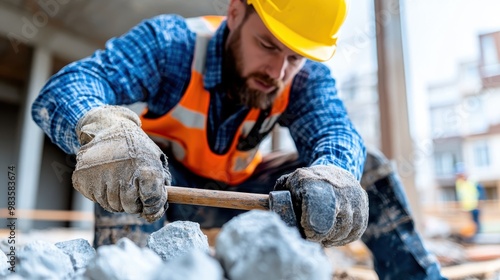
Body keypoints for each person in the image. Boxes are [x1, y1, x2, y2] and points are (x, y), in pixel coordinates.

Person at [31, 0, 445, 278]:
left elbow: (334, 130)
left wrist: (334, 173)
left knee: (364, 167)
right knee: (129, 176)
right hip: (165, 193)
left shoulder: (302, 77)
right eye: (267, 45)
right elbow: (69, 87)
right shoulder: (172, 45)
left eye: (295, 58)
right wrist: (108, 131)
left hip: (252, 199)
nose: (278, 72)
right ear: (234, 12)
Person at [455, 163, 486, 238]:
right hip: (467, 207)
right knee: (471, 222)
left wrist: (479, 203)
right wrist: (462, 206)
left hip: (475, 206)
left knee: (476, 221)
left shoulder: (473, 180)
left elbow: (480, 192)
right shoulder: (459, 183)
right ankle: (474, 235)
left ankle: (479, 236)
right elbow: (460, 195)